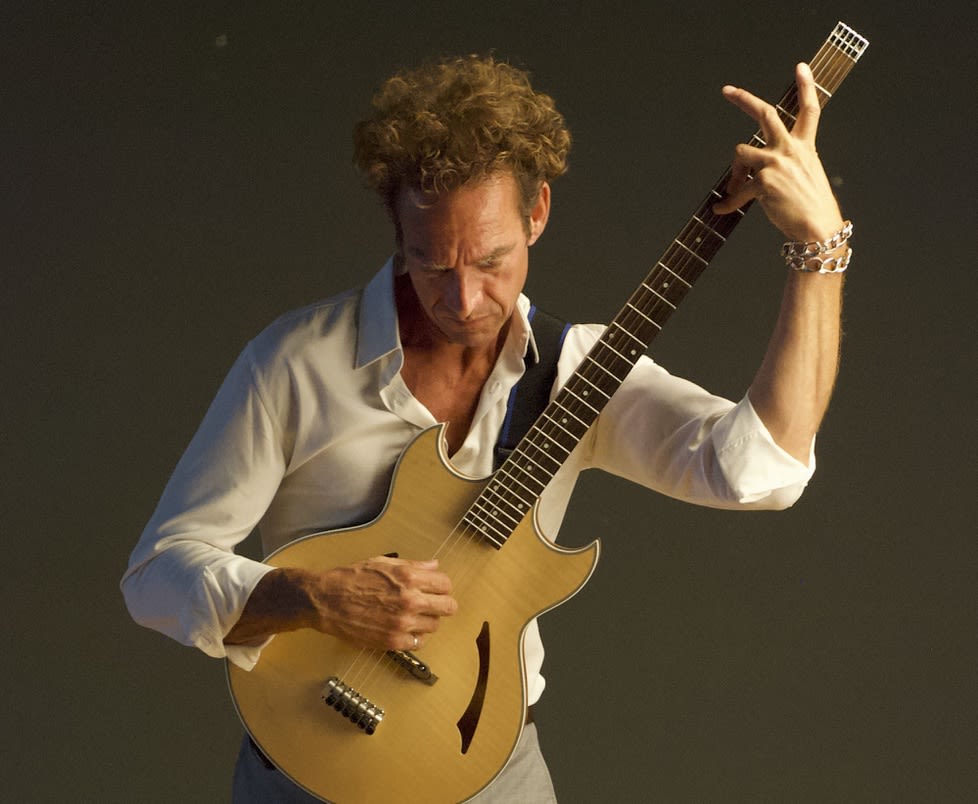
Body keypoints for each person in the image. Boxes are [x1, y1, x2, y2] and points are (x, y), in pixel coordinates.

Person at [122, 54, 850, 802]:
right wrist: (310, 596)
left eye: (492, 261)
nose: (465, 299)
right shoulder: (293, 365)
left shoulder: (579, 375)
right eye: (433, 265)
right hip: (306, 768)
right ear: (398, 230)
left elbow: (762, 473)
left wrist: (818, 253)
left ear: (538, 214)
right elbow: (156, 574)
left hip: (490, 771)